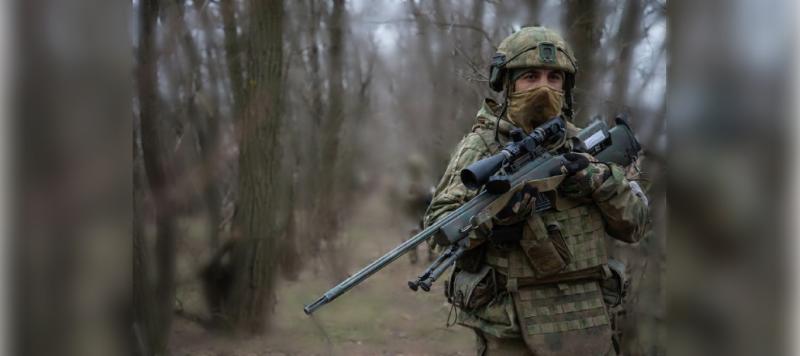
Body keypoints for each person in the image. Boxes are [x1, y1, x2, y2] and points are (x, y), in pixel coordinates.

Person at [423, 26, 649, 356]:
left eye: (553, 78)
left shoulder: (584, 147)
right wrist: (497, 219)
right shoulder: (482, 148)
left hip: (589, 324)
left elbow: (636, 226)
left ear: (566, 86)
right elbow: (440, 228)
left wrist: (599, 181)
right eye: (531, 76)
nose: (544, 87)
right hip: (512, 331)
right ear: (507, 83)